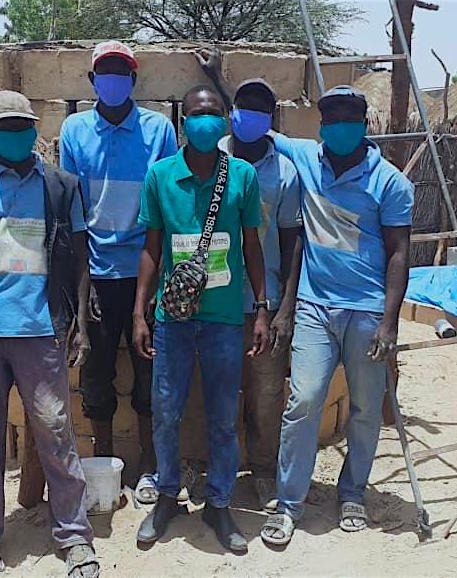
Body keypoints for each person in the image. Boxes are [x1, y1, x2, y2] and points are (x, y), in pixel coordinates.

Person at [0, 90, 100, 578]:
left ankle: (74, 537)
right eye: (5, 128)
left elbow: (77, 254)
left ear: (36, 130)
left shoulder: (59, 185)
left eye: (23, 126)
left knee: (56, 431)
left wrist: (78, 328)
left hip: (42, 332)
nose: (16, 135)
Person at [257, 86, 414, 546]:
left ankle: (352, 493)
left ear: (364, 127)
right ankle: (289, 504)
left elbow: (400, 254)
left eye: (350, 120)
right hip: (314, 307)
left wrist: (390, 321)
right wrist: (221, 83)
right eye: (331, 121)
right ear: (321, 127)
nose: (339, 128)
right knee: (304, 400)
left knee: (365, 410)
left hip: (367, 312)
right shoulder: (307, 157)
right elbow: (258, 126)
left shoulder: (390, 183)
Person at [133, 85, 271, 553]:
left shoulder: (243, 176)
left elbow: (253, 245)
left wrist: (262, 308)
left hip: (225, 317)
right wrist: (140, 312)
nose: (206, 122)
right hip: (172, 318)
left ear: (225, 121)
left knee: (221, 417)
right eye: (197, 114)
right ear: (183, 122)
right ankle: (168, 496)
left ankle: (219, 502)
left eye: (214, 114)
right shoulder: (160, 176)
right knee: (166, 410)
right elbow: (151, 247)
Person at [60, 40, 178, 504]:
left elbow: (166, 206)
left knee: (150, 375)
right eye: (104, 73)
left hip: (144, 273)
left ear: (133, 80)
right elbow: (73, 211)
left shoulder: (157, 129)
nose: (113, 80)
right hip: (97, 274)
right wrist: (82, 279)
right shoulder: (75, 130)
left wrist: (156, 283)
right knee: (96, 375)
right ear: (93, 82)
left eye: (121, 72)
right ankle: (104, 464)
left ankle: (150, 468)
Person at [196, 49, 304, 513]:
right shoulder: (211, 158)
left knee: (266, 396)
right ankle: (211, 473)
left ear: (272, 117)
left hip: (265, 302)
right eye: (243, 106)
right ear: (232, 112)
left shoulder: (285, 172)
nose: (250, 115)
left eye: (261, 109)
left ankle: (262, 473)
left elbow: (293, 241)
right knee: (214, 393)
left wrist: (284, 309)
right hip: (214, 302)